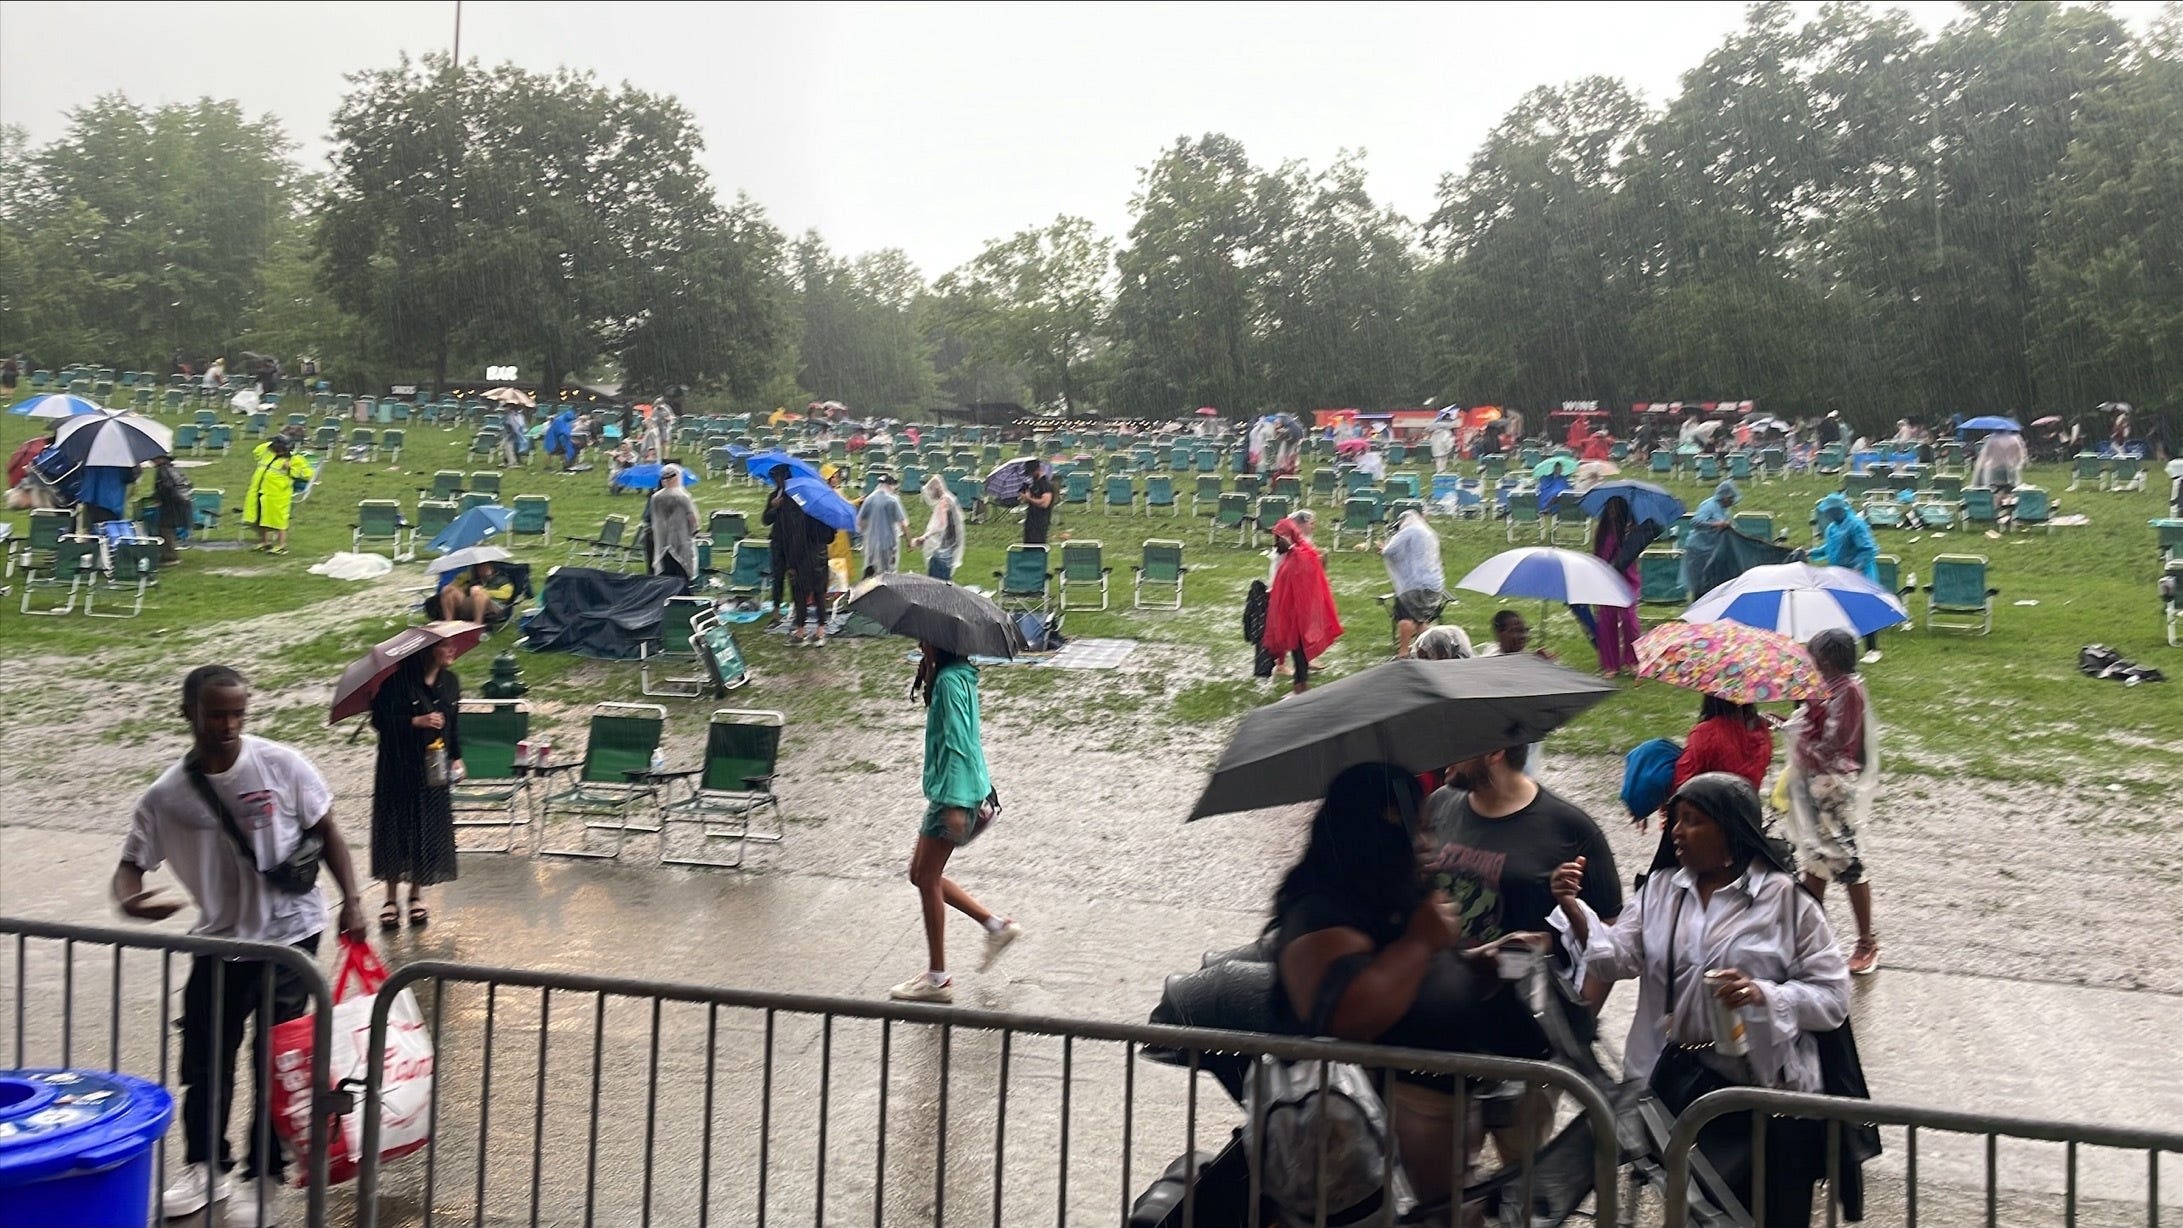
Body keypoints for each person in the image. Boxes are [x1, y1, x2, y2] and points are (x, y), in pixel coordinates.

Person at [113, 666, 367, 1223]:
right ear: (189, 714)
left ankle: (264, 1176)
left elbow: (329, 833)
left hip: (289, 938)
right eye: (215, 715)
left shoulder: (281, 764)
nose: (227, 726)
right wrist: (130, 899)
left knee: (273, 1061)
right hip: (220, 944)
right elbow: (129, 866)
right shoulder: (168, 795)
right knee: (205, 1061)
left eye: (237, 714)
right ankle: (206, 1167)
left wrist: (352, 899)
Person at [1552, 774, 1852, 1223]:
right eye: (1675, 820)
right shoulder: (1659, 891)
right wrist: (1576, 909)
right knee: (1696, 1214)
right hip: (1679, 1091)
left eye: (1693, 821)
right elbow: (1615, 960)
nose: (1676, 831)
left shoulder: (1788, 903)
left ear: (1730, 831)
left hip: (1768, 1099)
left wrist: (1762, 995)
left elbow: (1833, 998)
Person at [1271, 764, 1551, 1205]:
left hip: (1440, 1124)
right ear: (1374, 831)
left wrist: (1481, 963)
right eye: (1417, 831)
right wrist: (1421, 942)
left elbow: (1414, 985)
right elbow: (1348, 1018)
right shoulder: (1318, 911)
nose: (1428, 845)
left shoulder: (1389, 894)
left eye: (1429, 829)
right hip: (1374, 1150)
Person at [889, 642, 1021, 1003]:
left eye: (923, 639)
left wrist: (956, 801)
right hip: (956, 791)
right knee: (919, 874)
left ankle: (937, 980)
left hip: (955, 794)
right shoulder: (957, 676)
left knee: (926, 877)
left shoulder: (949, 682)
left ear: (938, 642)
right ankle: (996, 926)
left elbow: (960, 742)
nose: (918, 644)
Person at [1782, 629, 1881, 976]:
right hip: (1814, 783)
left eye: (1815, 656)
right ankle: (1807, 943)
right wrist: (1795, 720)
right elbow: (1814, 729)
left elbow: (1835, 745)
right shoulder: (1824, 688)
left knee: (1847, 862)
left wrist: (1798, 737)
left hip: (1834, 788)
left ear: (1828, 658)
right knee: (1815, 861)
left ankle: (1867, 941)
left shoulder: (1848, 691)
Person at [368, 642, 462, 930]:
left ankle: (416, 895)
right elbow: (380, 721)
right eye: (446, 646)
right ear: (428, 651)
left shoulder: (451, 683)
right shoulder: (396, 683)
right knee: (397, 829)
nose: (452, 651)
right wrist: (416, 721)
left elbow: (453, 723)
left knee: (427, 827)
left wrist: (457, 757)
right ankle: (390, 898)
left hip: (433, 767)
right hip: (397, 768)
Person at [1261, 517, 1341, 695]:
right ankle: (1300, 686)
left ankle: (1300, 688)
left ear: (1288, 537)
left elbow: (1303, 587)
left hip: (1299, 616)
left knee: (1299, 654)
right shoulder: (1293, 555)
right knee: (1298, 654)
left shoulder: (1301, 556)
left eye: (1277, 538)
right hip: (1293, 614)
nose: (1275, 544)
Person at [1810, 493, 1884, 662]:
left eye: (1831, 512)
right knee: (1841, 609)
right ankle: (1842, 647)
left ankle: (1873, 649)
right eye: (1826, 513)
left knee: (1864, 610)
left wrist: (1858, 568)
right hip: (1839, 574)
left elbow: (1868, 548)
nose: (1828, 515)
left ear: (1839, 510)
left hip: (1860, 574)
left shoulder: (1856, 524)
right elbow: (1828, 549)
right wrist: (1810, 552)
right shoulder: (1832, 528)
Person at [1379, 509, 1445, 659]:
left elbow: (1390, 551)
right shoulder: (1429, 533)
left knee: (1406, 618)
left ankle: (1403, 652)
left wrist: (1383, 548)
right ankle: (1428, 651)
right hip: (1433, 584)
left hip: (1412, 585)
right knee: (1422, 620)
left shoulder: (1408, 531)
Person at [1590, 496, 1642, 677]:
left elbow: (1633, 553)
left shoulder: (1632, 530)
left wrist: (1629, 536)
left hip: (1628, 579)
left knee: (1629, 620)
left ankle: (1632, 660)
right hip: (1606, 579)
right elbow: (1598, 555)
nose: (1612, 512)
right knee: (1606, 620)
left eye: (1616, 508)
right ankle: (1610, 665)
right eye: (1609, 508)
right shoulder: (1603, 531)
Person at [242, 435, 312, 554]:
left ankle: (281, 545)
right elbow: (257, 451)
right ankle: (265, 543)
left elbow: (308, 474)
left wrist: (290, 469)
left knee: (279, 521)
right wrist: (270, 443)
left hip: (278, 495)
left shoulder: (296, 459)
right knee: (261, 519)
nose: (279, 451)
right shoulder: (267, 454)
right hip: (260, 491)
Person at [1679, 480, 1740, 599]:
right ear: (1725, 497)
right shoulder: (1709, 505)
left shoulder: (1724, 509)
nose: (1732, 502)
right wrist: (1715, 524)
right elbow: (1696, 522)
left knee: (1712, 584)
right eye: (1731, 499)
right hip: (1699, 550)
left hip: (1712, 550)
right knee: (1700, 583)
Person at [647, 464, 700, 593]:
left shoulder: (656, 497)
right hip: (681, 538)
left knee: (666, 571)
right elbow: (691, 517)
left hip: (662, 540)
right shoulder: (683, 496)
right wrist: (695, 530)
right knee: (682, 569)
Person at [912, 474, 965, 582]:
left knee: (937, 581)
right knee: (945, 580)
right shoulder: (950, 499)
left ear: (935, 489)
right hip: (951, 545)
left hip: (944, 547)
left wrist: (924, 537)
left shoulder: (943, 502)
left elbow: (941, 525)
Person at [430, 558, 515, 624]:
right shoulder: (472, 578)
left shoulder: (502, 579)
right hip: (471, 603)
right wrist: (463, 579)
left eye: (485, 565)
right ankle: (448, 621)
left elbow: (506, 595)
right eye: (479, 566)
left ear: (492, 567)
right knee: (448, 590)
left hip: (494, 606)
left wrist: (484, 591)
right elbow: (455, 589)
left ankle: (477, 623)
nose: (482, 568)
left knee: (477, 590)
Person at [855, 473, 907, 576]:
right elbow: (903, 522)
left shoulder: (870, 499)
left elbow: (860, 522)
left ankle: (867, 590)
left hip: (871, 541)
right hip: (889, 541)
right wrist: (909, 540)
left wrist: (863, 535)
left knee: (870, 569)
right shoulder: (893, 500)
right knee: (888, 571)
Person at [152, 453, 195, 563]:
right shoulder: (175, 469)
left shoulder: (163, 471)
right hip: (181, 502)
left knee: (165, 528)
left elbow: (166, 488)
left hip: (171, 504)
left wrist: (157, 498)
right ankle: (169, 553)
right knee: (168, 528)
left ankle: (170, 556)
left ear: (160, 459)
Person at [1972, 429, 2026, 493]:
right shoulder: (2015, 440)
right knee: (2010, 492)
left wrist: (1981, 469)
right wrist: (2017, 464)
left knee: (1994, 490)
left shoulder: (1992, 440)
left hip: (1994, 470)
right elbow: (2020, 456)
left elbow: (1985, 456)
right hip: (2011, 469)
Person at [1020, 459, 1055, 546]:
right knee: (1028, 547)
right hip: (1030, 521)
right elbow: (1029, 500)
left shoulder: (1045, 485)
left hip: (1040, 522)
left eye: (1032, 472)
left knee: (1037, 547)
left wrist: (1029, 499)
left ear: (1038, 469)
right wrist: (1024, 496)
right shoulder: (1033, 484)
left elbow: (1045, 503)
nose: (1031, 475)